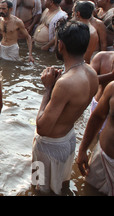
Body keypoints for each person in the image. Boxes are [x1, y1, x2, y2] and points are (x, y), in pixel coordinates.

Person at [33, 20, 98, 195]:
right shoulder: (91, 73)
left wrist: (48, 89)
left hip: (50, 147)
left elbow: (42, 128)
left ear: (60, 45)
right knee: (60, 185)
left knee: (40, 188)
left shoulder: (65, 83)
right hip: (68, 140)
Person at [76, 79, 114, 196]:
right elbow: (97, 116)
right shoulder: (112, 87)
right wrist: (82, 149)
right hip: (102, 157)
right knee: (89, 190)